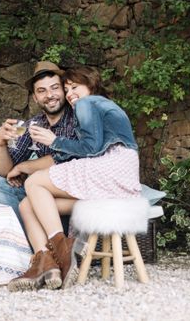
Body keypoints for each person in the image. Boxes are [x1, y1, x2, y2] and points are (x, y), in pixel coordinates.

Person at [8, 66, 141, 292]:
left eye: (74, 87)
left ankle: (60, 249)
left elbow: (90, 148)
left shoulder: (88, 103)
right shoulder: (99, 105)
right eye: (67, 89)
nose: (69, 94)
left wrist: (54, 141)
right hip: (119, 178)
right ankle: (45, 262)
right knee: (27, 204)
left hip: (111, 167)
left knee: (33, 182)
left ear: (90, 84)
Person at [0, 62, 77, 223]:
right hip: (37, 193)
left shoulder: (77, 118)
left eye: (54, 88)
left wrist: (23, 167)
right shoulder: (34, 124)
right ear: (35, 97)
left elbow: (64, 159)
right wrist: (0, 144)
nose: (49, 95)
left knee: (32, 190)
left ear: (64, 89)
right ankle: (29, 237)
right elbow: (7, 173)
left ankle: (42, 236)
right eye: (42, 91)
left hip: (67, 194)